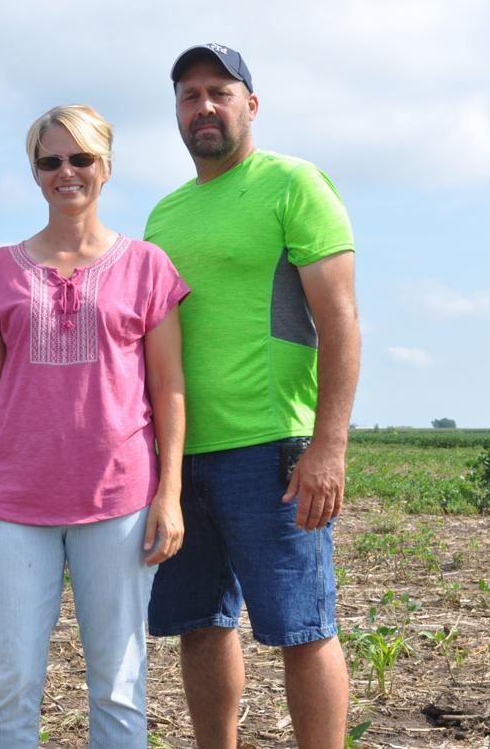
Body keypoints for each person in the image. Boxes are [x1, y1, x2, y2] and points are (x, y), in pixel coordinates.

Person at [0, 104, 188, 748]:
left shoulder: (147, 266)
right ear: (35, 173)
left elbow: (168, 388)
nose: (67, 172)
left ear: (106, 167)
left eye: (81, 158)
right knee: (8, 683)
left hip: (119, 500)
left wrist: (169, 494)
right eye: (50, 160)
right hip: (14, 502)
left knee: (118, 684)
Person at [144, 43, 360, 749]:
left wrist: (328, 447)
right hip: (182, 456)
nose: (203, 106)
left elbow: (339, 320)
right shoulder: (164, 215)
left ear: (250, 105)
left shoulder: (294, 184)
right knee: (200, 624)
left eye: (219, 91)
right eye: (188, 95)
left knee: (302, 626)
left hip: (272, 449)